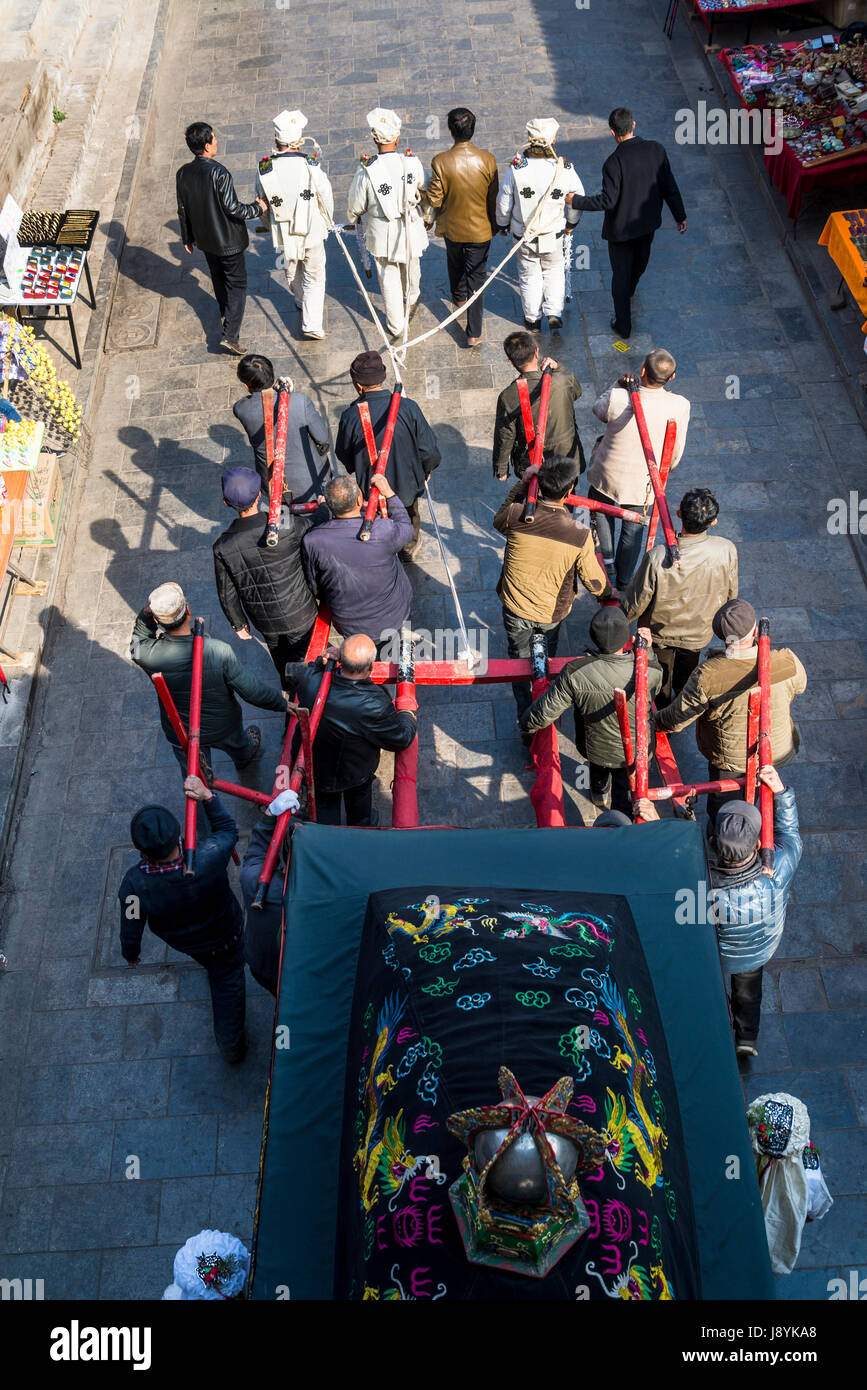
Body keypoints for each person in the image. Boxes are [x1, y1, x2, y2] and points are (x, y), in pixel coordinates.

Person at [118, 777, 247, 1062]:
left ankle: (231, 1043)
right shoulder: (210, 856)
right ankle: (230, 1045)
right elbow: (227, 830)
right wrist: (207, 797)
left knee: (215, 969)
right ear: (179, 835)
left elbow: (131, 925)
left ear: (142, 851)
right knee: (229, 984)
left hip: (190, 945)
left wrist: (131, 954)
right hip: (229, 935)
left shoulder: (134, 887)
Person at [655, 599, 808, 826]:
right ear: (755, 630)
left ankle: (722, 841)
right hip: (775, 748)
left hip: (731, 761)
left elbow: (675, 720)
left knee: (725, 811)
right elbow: (800, 687)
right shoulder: (787, 660)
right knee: (757, 791)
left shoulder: (708, 676)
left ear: (721, 637)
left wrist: (652, 720)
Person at [493, 454, 613, 727]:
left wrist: (522, 485)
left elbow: (499, 518)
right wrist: (609, 595)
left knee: (519, 660)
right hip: (551, 613)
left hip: (514, 606)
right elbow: (594, 582)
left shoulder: (517, 515)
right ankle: (544, 712)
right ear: (569, 491)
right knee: (547, 659)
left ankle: (523, 712)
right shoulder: (578, 534)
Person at [131, 581, 287, 774]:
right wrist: (283, 704)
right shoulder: (217, 651)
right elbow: (252, 691)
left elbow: (136, 643)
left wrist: (145, 615)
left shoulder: (146, 654)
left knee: (198, 782)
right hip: (224, 725)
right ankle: (245, 756)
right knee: (239, 746)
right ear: (188, 611)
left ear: (157, 620)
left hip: (182, 732)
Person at [521, 611, 662, 817]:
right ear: (626, 639)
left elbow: (544, 712)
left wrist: (526, 724)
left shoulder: (576, 672)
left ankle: (599, 793)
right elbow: (654, 690)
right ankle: (620, 819)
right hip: (635, 752)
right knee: (625, 790)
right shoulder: (650, 670)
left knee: (598, 770)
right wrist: (647, 651)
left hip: (595, 746)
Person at [567, 106, 686, 339]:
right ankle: (629, 292)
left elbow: (608, 201)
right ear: (634, 125)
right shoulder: (657, 150)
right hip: (647, 225)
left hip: (620, 232)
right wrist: (679, 215)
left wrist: (576, 201)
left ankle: (623, 324)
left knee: (620, 276)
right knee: (640, 264)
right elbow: (669, 186)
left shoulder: (613, 162)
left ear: (613, 133)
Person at [708, 766, 802, 1058]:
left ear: (712, 844)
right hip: (759, 950)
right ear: (760, 845)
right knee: (749, 991)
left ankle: (717, 1025)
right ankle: (746, 1037)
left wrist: (655, 820)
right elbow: (791, 837)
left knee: (710, 988)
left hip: (717, 955)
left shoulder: (702, 885)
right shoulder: (777, 872)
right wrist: (781, 792)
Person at [284, 634, 417, 826]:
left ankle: (328, 831)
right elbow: (401, 738)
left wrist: (322, 663)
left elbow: (310, 670)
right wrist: (406, 713)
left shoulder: (310, 682)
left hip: (314, 767)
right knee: (359, 804)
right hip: (355, 771)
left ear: (340, 660)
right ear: (371, 667)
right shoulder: (375, 704)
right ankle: (361, 826)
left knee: (323, 812)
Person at [623, 487, 738, 705]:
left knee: (660, 673)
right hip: (699, 631)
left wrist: (619, 621)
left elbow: (637, 601)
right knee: (686, 671)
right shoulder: (727, 550)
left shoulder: (658, 556)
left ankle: (663, 704)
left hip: (660, 631)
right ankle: (680, 700)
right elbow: (731, 594)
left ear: (679, 514)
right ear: (713, 521)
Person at [587, 350, 690, 589]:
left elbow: (598, 409)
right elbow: (675, 450)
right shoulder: (679, 405)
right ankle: (623, 580)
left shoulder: (620, 398)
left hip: (607, 474)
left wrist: (618, 384)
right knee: (632, 532)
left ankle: (607, 564)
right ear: (672, 377)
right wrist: (663, 473)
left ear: (642, 371)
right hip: (643, 483)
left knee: (600, 512)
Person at [213, 467, 324, 686]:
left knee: (280, 657)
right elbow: (312, 529)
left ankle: (289, 687)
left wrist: (238, 622)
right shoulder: (285, 526)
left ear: (226, 503)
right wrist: (321, 508)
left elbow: (227, 591)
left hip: (263, 619)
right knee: (310, 658)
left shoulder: (223, 546)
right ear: (258, 496)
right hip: (300, 611)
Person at [335, 350, 440, 558]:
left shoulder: (350, 416)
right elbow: (429, 449)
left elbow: (343, 453)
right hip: (407, 483)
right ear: (382, 378)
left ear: (357, 384)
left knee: (376, 518)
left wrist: (355, 467)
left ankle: (382, 547)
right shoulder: (408, 407)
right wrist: (426, 470)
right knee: (409, 515)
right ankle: (408, 545)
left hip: (371, 485)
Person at [176, 121, 266, 355]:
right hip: (228, 241)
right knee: (237, 284)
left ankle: (226, 310)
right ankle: (230, 334)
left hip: (206, 240)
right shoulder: (219, 172)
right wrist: (257, 209)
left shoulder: (183, 173)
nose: (217, 141)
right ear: (206, 146)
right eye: (214, 138)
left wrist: (187, 236)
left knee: (217, 276)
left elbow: (182, 208)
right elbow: (233, 209)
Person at [301, 474, 413, 646]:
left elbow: (315, 586)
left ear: (330, 506)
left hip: (349, 625)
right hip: (393, 615)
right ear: (360, 501)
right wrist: (389, 493)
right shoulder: (381, 530)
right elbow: (406, 529)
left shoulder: (313, 541)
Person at [347, 108, 429, 339]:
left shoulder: (366, 171)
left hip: (382, 232)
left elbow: (355, 204)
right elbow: (427, 186)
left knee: (389, 276)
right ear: (397, 138)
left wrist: (353, 219)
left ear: (374, 139)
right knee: (412, 263)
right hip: (410, 226)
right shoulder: (412, 163)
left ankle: (395, 325)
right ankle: (412, 296)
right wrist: (429, 216)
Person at [495, 117, 584, 331]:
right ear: (553, 139)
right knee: (554, 271)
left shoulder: (516, 169)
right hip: (553, 233)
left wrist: (502, 223)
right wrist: (571, 222)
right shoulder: (564, 168)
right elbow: (578, 197)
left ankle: (532, 317)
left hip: (524, 235)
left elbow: (504, 201)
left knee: (529, 274)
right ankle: (554, 311)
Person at [256, 109, 333, 340]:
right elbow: (325, 196)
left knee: (292, 269)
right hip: (311, 231)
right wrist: (327, 223)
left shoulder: (265, 169)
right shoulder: (311, 166)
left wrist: (269, 226)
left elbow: (261, 202)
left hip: (283, 233)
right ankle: (311, 324)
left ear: (276, 141)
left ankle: (300, 299)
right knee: (314, 275)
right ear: (299, 142)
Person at [426, 106, 499, 347]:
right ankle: (473, 332)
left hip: (453, 229)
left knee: (455, 262)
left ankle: (458, 298)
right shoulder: (488, 159)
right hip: (481, 231)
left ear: (450, 131)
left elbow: (435, 200)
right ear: (473, 129)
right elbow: (493, 197)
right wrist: (495, 224)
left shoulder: (440, 162)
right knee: (477, 279)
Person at [232, 354, 331, 502]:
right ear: (272, 375)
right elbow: (322, 436)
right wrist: (285, 394)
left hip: (274, 483)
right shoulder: (300, 401)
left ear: (246, 385)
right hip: (311, 479)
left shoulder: (241, 409)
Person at [492, 333, 584, 481]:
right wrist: (559, 368)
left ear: (511, 361)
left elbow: (505, 435)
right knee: (566, 497)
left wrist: (501, 469)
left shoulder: (509, 396)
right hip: (567, 457)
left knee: (535, 500)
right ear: (536, 351)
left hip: (533, 462)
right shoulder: (562, 378)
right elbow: (577, 392)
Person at [239, 788, 300, 997]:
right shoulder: (324, 898)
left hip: (261, 964)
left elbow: (256, 854)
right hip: (301, 971)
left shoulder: (255, 884)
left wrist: (270, 816)